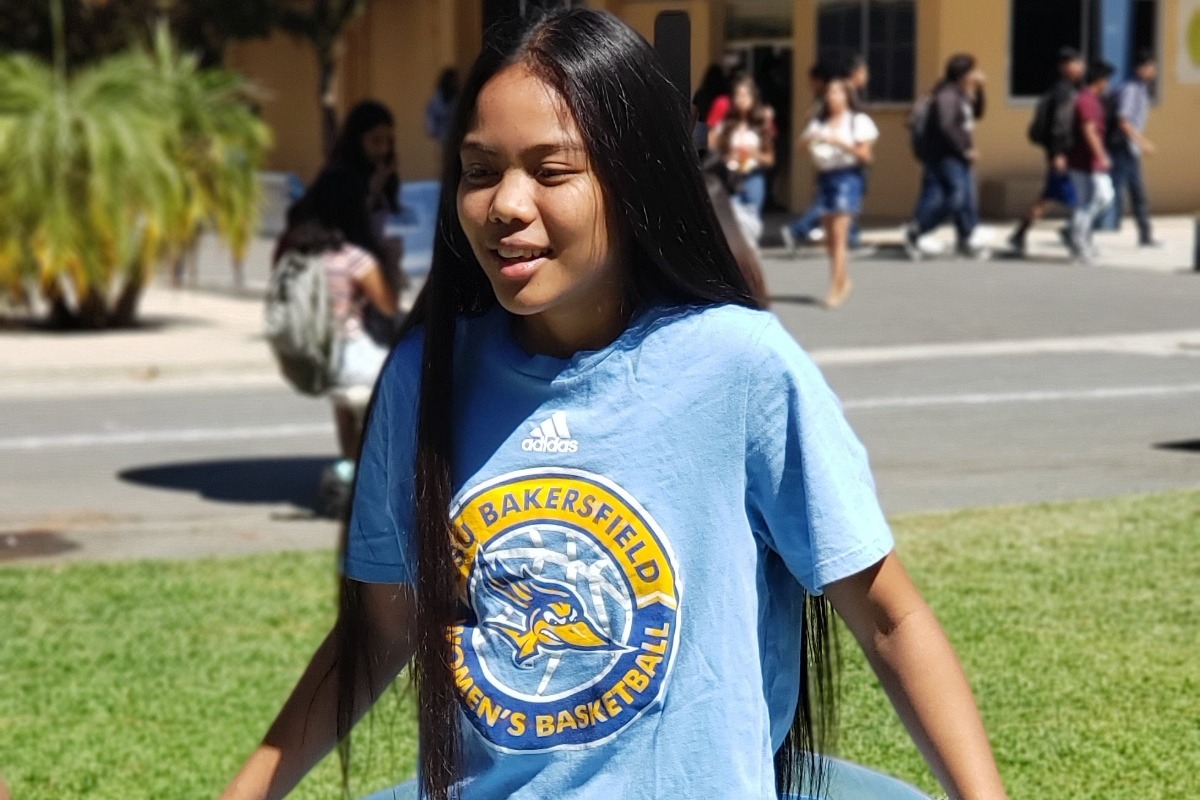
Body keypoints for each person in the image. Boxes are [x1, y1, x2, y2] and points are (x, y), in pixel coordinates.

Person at [220, 9, 1010, 800]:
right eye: (480, 170)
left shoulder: (739, 366)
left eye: (551, 171)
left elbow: (890, 619)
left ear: (635, 181)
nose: (505, 204)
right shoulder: (424, 376)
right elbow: (379, 626)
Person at [275, 199, 400, 480]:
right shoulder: (353, 258)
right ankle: (373, 475)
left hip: (321, 357)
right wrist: (392, 262)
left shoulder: (299, 261)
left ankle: (347, 469)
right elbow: (388, 305)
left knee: (343, 409)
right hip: (354, 355)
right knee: (398, 387)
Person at [296, 100, 406, 321]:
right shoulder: (340, 179)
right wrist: (372, 193)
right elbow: (350, 226)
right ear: (357, 140)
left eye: (388, 141)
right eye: (375, 141)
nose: (383, 149)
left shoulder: (380, 175)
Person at [799, 78, 878, 308]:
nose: (832, 97)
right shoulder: (821, 122)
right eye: (830, 92)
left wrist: (840, 142)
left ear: (847, 96)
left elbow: (866, 155)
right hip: (825, 176)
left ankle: (836, 286)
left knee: (839, 233)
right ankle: (843, 280)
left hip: (847, 177)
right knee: (830, 237)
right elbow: (800, 146)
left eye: (837, 92)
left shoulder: (858, 121)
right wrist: (812, 137)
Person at [904, 54, 987, 260]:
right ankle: (918, 230)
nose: (977, 75)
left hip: (957, 155)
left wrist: (980, 90)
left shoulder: (961, 94)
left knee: (965, 199)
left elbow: (976, 113)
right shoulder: (947, 96)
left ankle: (966, 239)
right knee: (956, 197)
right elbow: (946, 126)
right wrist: (964, 149)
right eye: (973, 72)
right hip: (946, 155)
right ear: (963, 74)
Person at [1007, 47, 1084, 256]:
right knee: (1077, 198)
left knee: (1049, 197)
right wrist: (1058, 153)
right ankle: (1072, 234)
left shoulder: (1063, 89)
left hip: (1058, 153)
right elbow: (1060, 124)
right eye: (1076, 63)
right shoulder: (1064, 92)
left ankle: (1019, 234)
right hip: (1062, 154)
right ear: (1065, 67)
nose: (1081, 67)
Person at [1099, 51, 1160, 244]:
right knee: (1111, 192)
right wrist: (1144, 142)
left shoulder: (1141, 89)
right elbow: (1123, 122)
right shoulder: (1130, 89)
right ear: (1141, 69)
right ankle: (1075, 227)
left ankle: (1145, 235)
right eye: (1151, 67)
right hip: (1122, 147)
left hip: (1130, 149)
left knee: (1137, 192)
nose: (1154, 71)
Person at [710, 72, 776, 245]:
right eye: (738, 95)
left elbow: (769, 159)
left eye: (746, 95)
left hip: (753, 178)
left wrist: (753, 153)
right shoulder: (728, 125)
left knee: (750, 227)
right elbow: (713, 145)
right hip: (731, 179)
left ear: (753, 99)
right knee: (730, 227)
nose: (742, 99)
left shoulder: (761, 125)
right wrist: (727, 154)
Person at [1066, 60, 1117, 262]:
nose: (1108, 84)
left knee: (1100, 198)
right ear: (1099, 80)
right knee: (1093, 200)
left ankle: (1079, 237)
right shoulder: (1086, 100)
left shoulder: (1094, 100)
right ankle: (1078, 242)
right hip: (1084, 162)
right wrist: (1101, 155)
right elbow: (1089, 131)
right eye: (1106, 80)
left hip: (1089, 162)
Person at [691, 63, 732, 153]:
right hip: (718, 129)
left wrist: (689, 133)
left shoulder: (700, 93)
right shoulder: (724, 94)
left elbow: (693, 116)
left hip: (701, 129)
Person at [425, 68, 460, 147]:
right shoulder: (436, 100)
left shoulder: (458, 98)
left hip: (457, 138)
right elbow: (430, 121)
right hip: (442, 139)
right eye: (452, 81)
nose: (454, 84)